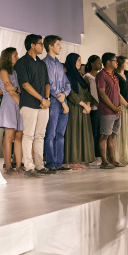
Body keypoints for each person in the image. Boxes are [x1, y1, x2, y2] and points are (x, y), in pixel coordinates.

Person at [14, 34, 51, 178]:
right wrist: (42, 98)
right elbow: (25, 85)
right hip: (29, 104)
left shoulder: (42, 63)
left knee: (40, 136)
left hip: (43, 105)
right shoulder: (22, 63)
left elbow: (47, 83)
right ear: (32, 45)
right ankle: (29, 167)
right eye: (41, 44)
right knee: (28, 135)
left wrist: (46, 99)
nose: (43, 47)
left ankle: (40, 165)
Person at [42, 35, 71, 172]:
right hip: (53, 101)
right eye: (58, 44)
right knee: (51, 133)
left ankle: (59, 162)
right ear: (50, 46)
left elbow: (67, 83)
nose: (60, 47)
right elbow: (49, 84)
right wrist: (61, 99)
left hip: (62, 100)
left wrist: (65, 94)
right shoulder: (44, 63)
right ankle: (51, 163)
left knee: (60, 134)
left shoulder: (60, 64)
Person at [0, 47, 24, 175]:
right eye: (15, 56)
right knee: (9, 136)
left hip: (18, 103)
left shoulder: (17, 71)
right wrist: (22, 104)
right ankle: (8, 167)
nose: (17, 58)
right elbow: (9, 91)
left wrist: (17, 89)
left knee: (19, 136)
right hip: (9, 104)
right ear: (8, 57)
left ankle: (18, 165)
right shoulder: (3, 71)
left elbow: (19, 89)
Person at [63, 53, 94, 169]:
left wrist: (88, 105)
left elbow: (86, 92)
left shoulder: (79, 76)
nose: (80, 62)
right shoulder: (68, 76)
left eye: (80, 60)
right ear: (72, 61)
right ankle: (72, 160)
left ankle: (79, 159)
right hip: (74, 108)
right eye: (78, 60)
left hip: (83, 109)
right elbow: (71, 94)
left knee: (81, 134)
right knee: (74, 133)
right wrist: (84, 105)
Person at [96, 52, 125, 169]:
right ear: (108, 62)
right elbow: (102, 93)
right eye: (115, 60)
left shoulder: (114, 76)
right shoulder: (101, 75)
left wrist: (119, 106)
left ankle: (113, 160)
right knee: (104, 136)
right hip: (107, 111)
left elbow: (117, 93)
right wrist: (113, 107)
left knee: (113, 136)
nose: (117, 63)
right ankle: (104, 161)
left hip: (116, 111)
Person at [114, 56, 128, 165]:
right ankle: (121, 156)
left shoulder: (126, 77)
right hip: (123, 106)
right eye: (127, 63)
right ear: (121, 64)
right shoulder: (116, 77)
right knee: (122, 132)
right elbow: (117, 94)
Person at [84, 55, 102, 166]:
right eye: (98, 62)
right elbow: (87, 94)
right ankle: (95, 156)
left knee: (102, 133)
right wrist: (96, 103)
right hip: (95, 108)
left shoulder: (101, 76)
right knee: (95, 133)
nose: (100, 65)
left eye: (101, 63)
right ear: (92, 64)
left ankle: (101, 155)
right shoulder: (87, 77)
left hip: (103, 108)